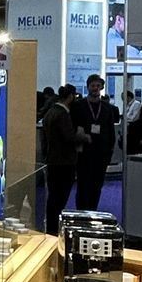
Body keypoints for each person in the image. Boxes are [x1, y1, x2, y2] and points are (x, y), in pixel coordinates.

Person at [70, 74, 121, 213]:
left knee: (97, 186)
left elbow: (111, 131)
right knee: (82, 185)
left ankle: (93, 211)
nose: (95, 88)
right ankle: (81, 212)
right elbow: (73, 127)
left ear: (102, 87)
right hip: (83, 152)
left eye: (98, 86)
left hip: (101, 153)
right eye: (93, 85)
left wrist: (109, 152)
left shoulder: (107, 108)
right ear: (88, 87)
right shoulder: (78, 106)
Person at [41, 84, 79, 231]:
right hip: (64, 161)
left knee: (53, 198)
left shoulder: (50, 112)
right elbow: (69, 137)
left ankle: (51, 228)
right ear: (70, 97)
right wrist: (82, 137)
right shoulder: (63, 115)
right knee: (60, 198)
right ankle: (54, 229)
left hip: (52, 160)